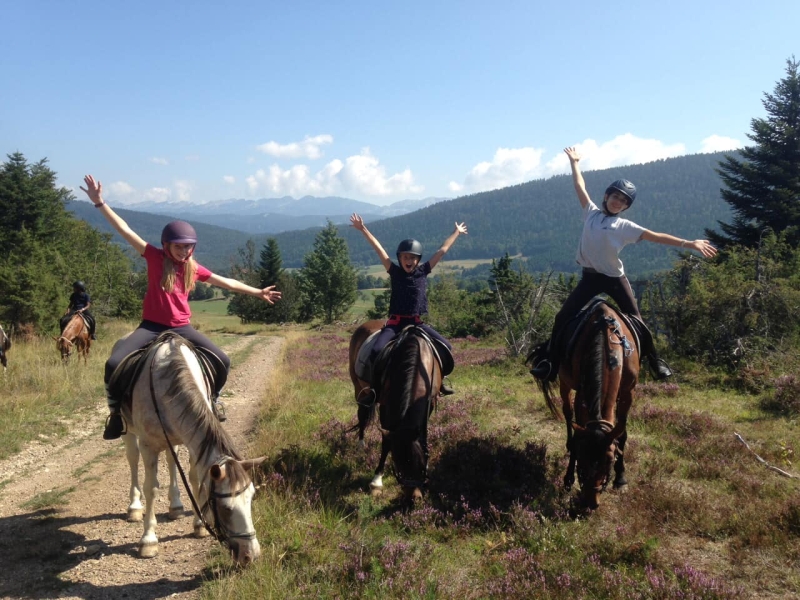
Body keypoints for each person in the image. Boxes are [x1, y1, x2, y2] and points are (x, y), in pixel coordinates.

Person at [80, 175, 282, 440]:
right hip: (151, 327)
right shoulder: (153, 257)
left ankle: (213, 400)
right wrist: (100, 204)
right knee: (114, 362)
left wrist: (257, 292)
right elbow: (126, 230)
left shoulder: (193, 268)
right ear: (167, 245)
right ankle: (116, 413)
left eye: (188, 247)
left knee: (223, 360)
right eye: (179, 247)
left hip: (183, 328)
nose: (184, 252)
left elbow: (227, 282)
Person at [529, 146, 718, 382]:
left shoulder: (625, 227)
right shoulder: (591, 213)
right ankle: (550, 363)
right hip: (589, 278)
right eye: (616, 196)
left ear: (627, 206)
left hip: (614, 280)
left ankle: (654, 362)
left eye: (624, 201)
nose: (619, 202)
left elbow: (655, 236)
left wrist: (689, 243)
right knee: (562, 317)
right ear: (607, 196)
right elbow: (580, 186)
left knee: (637, 321)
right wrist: (575, 163)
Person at [350, 213, 467, 396]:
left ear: (418, 260)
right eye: (405, 257)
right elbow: (378, 248)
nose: (408, 261)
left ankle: (439, 382)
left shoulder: (424, 271)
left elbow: (442, 251)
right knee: (376, 351)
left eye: (412, 258)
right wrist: (363, 229)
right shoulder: (394, 272)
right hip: (395, 324)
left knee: (446, 347)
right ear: (399, 258)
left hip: (417, 323)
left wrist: (456, 232)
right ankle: (374, 389)